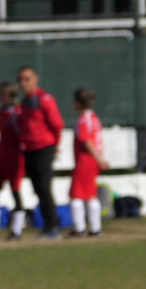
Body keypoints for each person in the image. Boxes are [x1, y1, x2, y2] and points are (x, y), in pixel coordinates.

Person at [16, 66, 65, 240]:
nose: (23, 83)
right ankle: (47, 226)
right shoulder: (25, 103)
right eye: (21, 80)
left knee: (44, 188)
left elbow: (57, 124)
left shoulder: (44, 99)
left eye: (27, 79)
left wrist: (55, 145)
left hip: (44, 148)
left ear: (35, 79)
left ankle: (53, 227)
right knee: (37, 189)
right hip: (29, 149)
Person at [0, 81, 26, 240]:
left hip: (14, 156)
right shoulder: (0, 112)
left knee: (15, 190)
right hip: (1, 155)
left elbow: (22, 134)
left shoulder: (17, 113)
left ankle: (17, 229)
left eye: (1, 94)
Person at [69, 89, 110, 238]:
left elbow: (87, 141)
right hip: (94, 161)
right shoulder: (94, 118)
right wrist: (101, 158)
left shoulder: (82, 120)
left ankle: (80, 229)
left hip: (85, 160)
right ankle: (95, 228)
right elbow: (99, 140)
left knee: (76, 195)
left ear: (78, 104)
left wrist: (98, 159)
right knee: (91, 194)